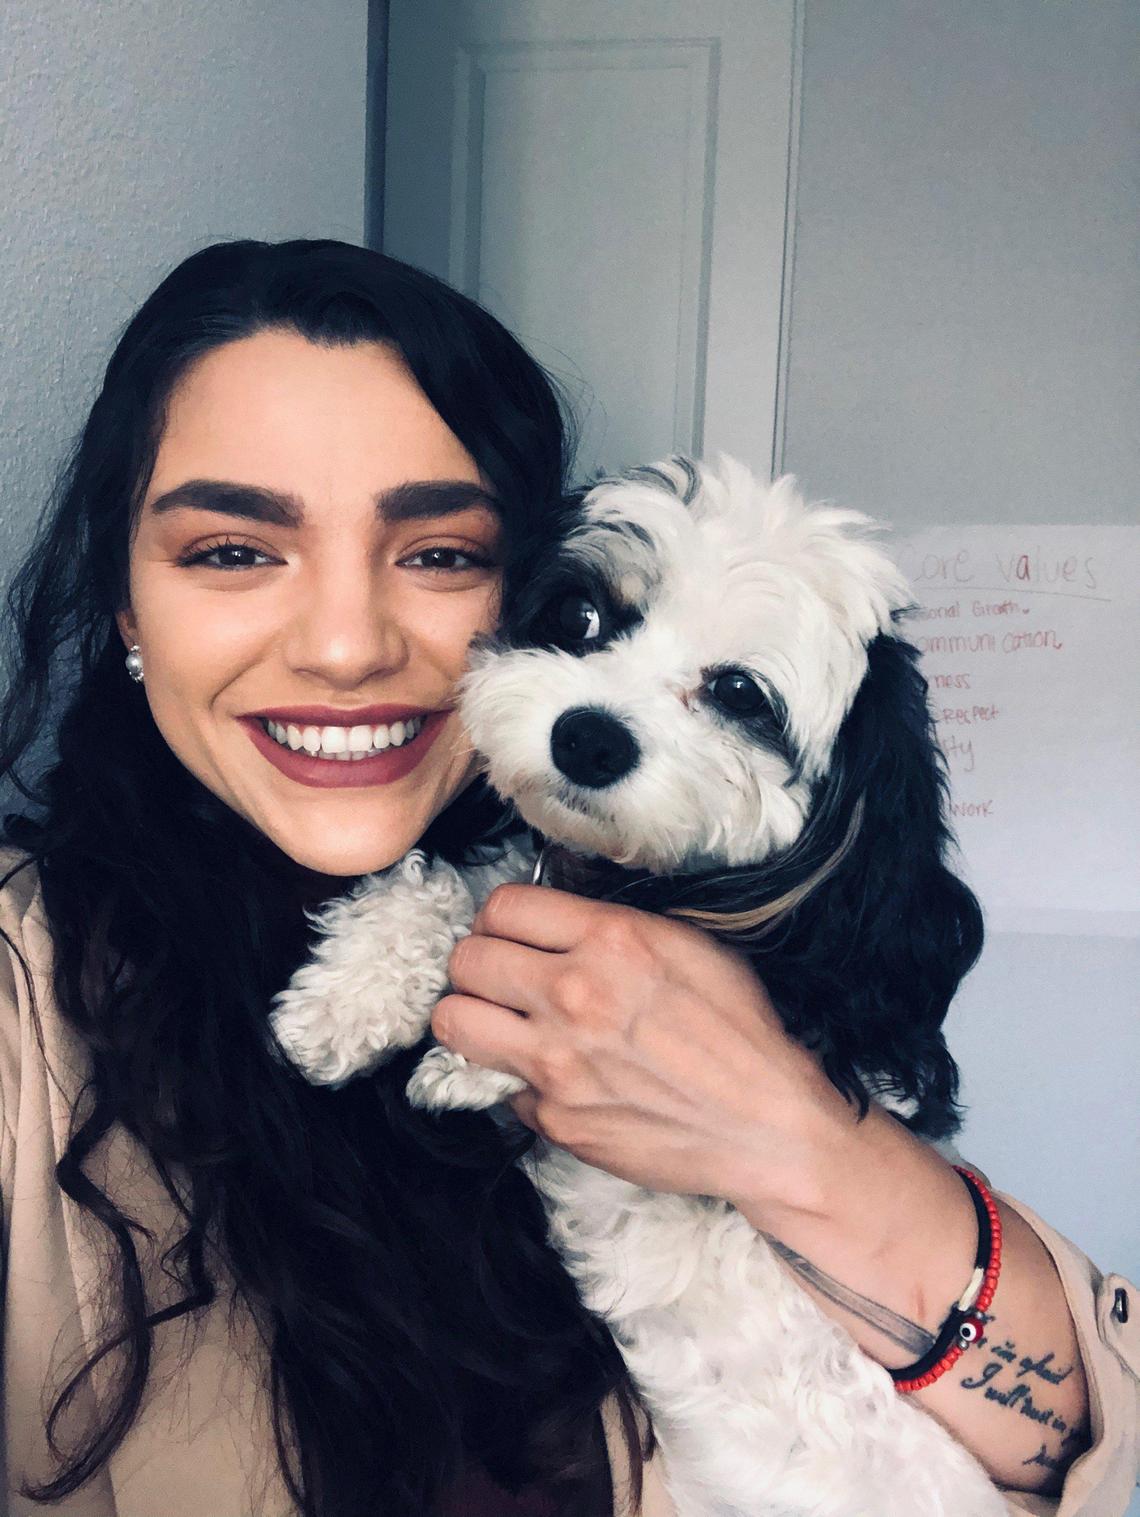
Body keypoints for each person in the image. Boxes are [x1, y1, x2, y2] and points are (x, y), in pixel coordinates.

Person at [0, 238, 1135, 1517]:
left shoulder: (694, 953)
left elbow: (1077, 1443)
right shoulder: (23, 1011)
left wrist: (803, 1144)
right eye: (231, 551)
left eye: (436, 553)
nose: (343, 646)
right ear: (123, 605)